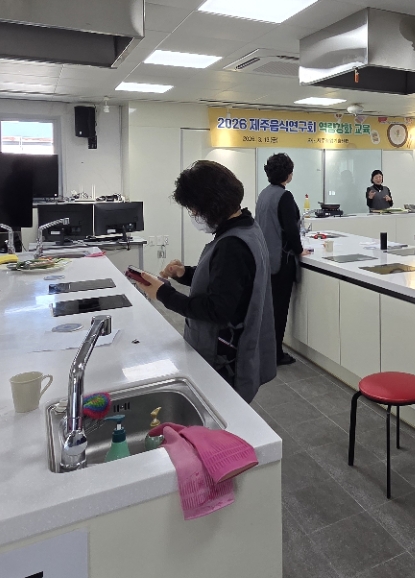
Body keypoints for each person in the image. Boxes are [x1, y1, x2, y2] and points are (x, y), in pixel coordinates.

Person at [129, 160, 276, 403]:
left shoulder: (232, 245)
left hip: (226, 359)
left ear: (211, 206)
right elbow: (227, 279)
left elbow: (216, 309)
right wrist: (184, 273)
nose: (194, 215)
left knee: (222, 411)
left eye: (194, 209)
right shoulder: (247, 228)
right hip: (235, 348)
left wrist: (163, 294)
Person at [255, 153, 310, 367]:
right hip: (281, 260)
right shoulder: (284, 196)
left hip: (265, 258)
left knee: (268, 308)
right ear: (288, 174)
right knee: (279, 309)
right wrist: (299, 250)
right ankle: (276, 354)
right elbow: (290, 229)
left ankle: (265, 349)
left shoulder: (264, 194)